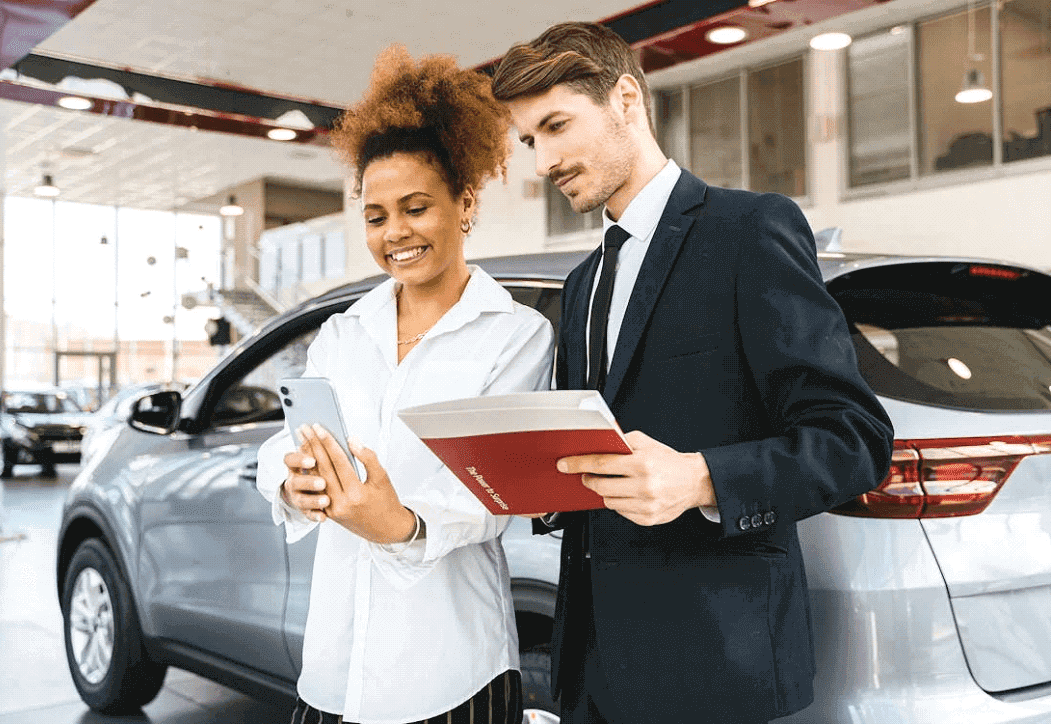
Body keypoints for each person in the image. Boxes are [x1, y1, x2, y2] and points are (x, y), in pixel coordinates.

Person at [491, 22, 894, 724]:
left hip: (715, 666)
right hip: (592, 670)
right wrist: (540, 482)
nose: (544, 161)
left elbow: (854, 440)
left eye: (556, 126)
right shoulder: (585, 282)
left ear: (625, 99)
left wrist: (702, 478)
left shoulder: (749, 232)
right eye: (531, 141)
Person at [255, 46, 554, 724]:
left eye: (416, 207)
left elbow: (498, 498)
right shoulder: (342, 334)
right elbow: (286, 444)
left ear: (465, 204)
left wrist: (401, 524)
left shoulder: (515, 337)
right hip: (335, 668)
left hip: (452, 671)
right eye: (376, 215)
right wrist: (293, 481)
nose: (397, 233)